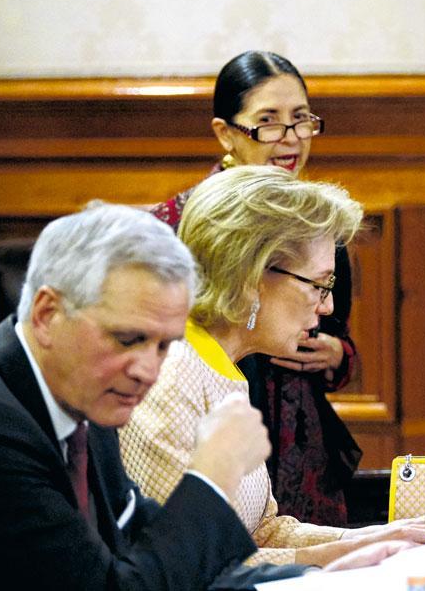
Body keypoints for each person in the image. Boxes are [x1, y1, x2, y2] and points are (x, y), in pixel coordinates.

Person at [0, 204, 405, 590]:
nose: (147, 371)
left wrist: (316, 579)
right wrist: (212, 476)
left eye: (163, 346)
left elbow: (163, 562)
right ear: (47, 315)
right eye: (128, 339)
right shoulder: (0, 429)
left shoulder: (84, 398)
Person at [121, 166, 425, 567]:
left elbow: (263, 530)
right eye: (319, 284)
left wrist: (389, 534)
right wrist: (345, 556)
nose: (328, 306)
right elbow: (191, 568)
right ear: (251, 275)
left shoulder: (227, 368)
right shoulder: (169, 381)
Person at [152, 50, 360, 526]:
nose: (290, 139)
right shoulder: (176, 228)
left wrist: (335, 354)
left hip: (296, 444)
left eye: (301, 120)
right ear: (226, 133)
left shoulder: (319, 225)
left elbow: (340, 335)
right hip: (203, 419)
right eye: (268, 122)